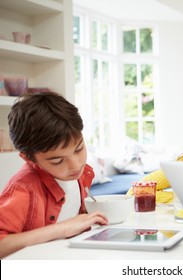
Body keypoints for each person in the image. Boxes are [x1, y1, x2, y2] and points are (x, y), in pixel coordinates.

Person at [0, 92, 108, 259]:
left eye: (79, 149)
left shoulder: (79, 174)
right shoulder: (23, 189)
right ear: (29, 158)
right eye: (58, 160)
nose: (76, 164)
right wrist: (61, 228)